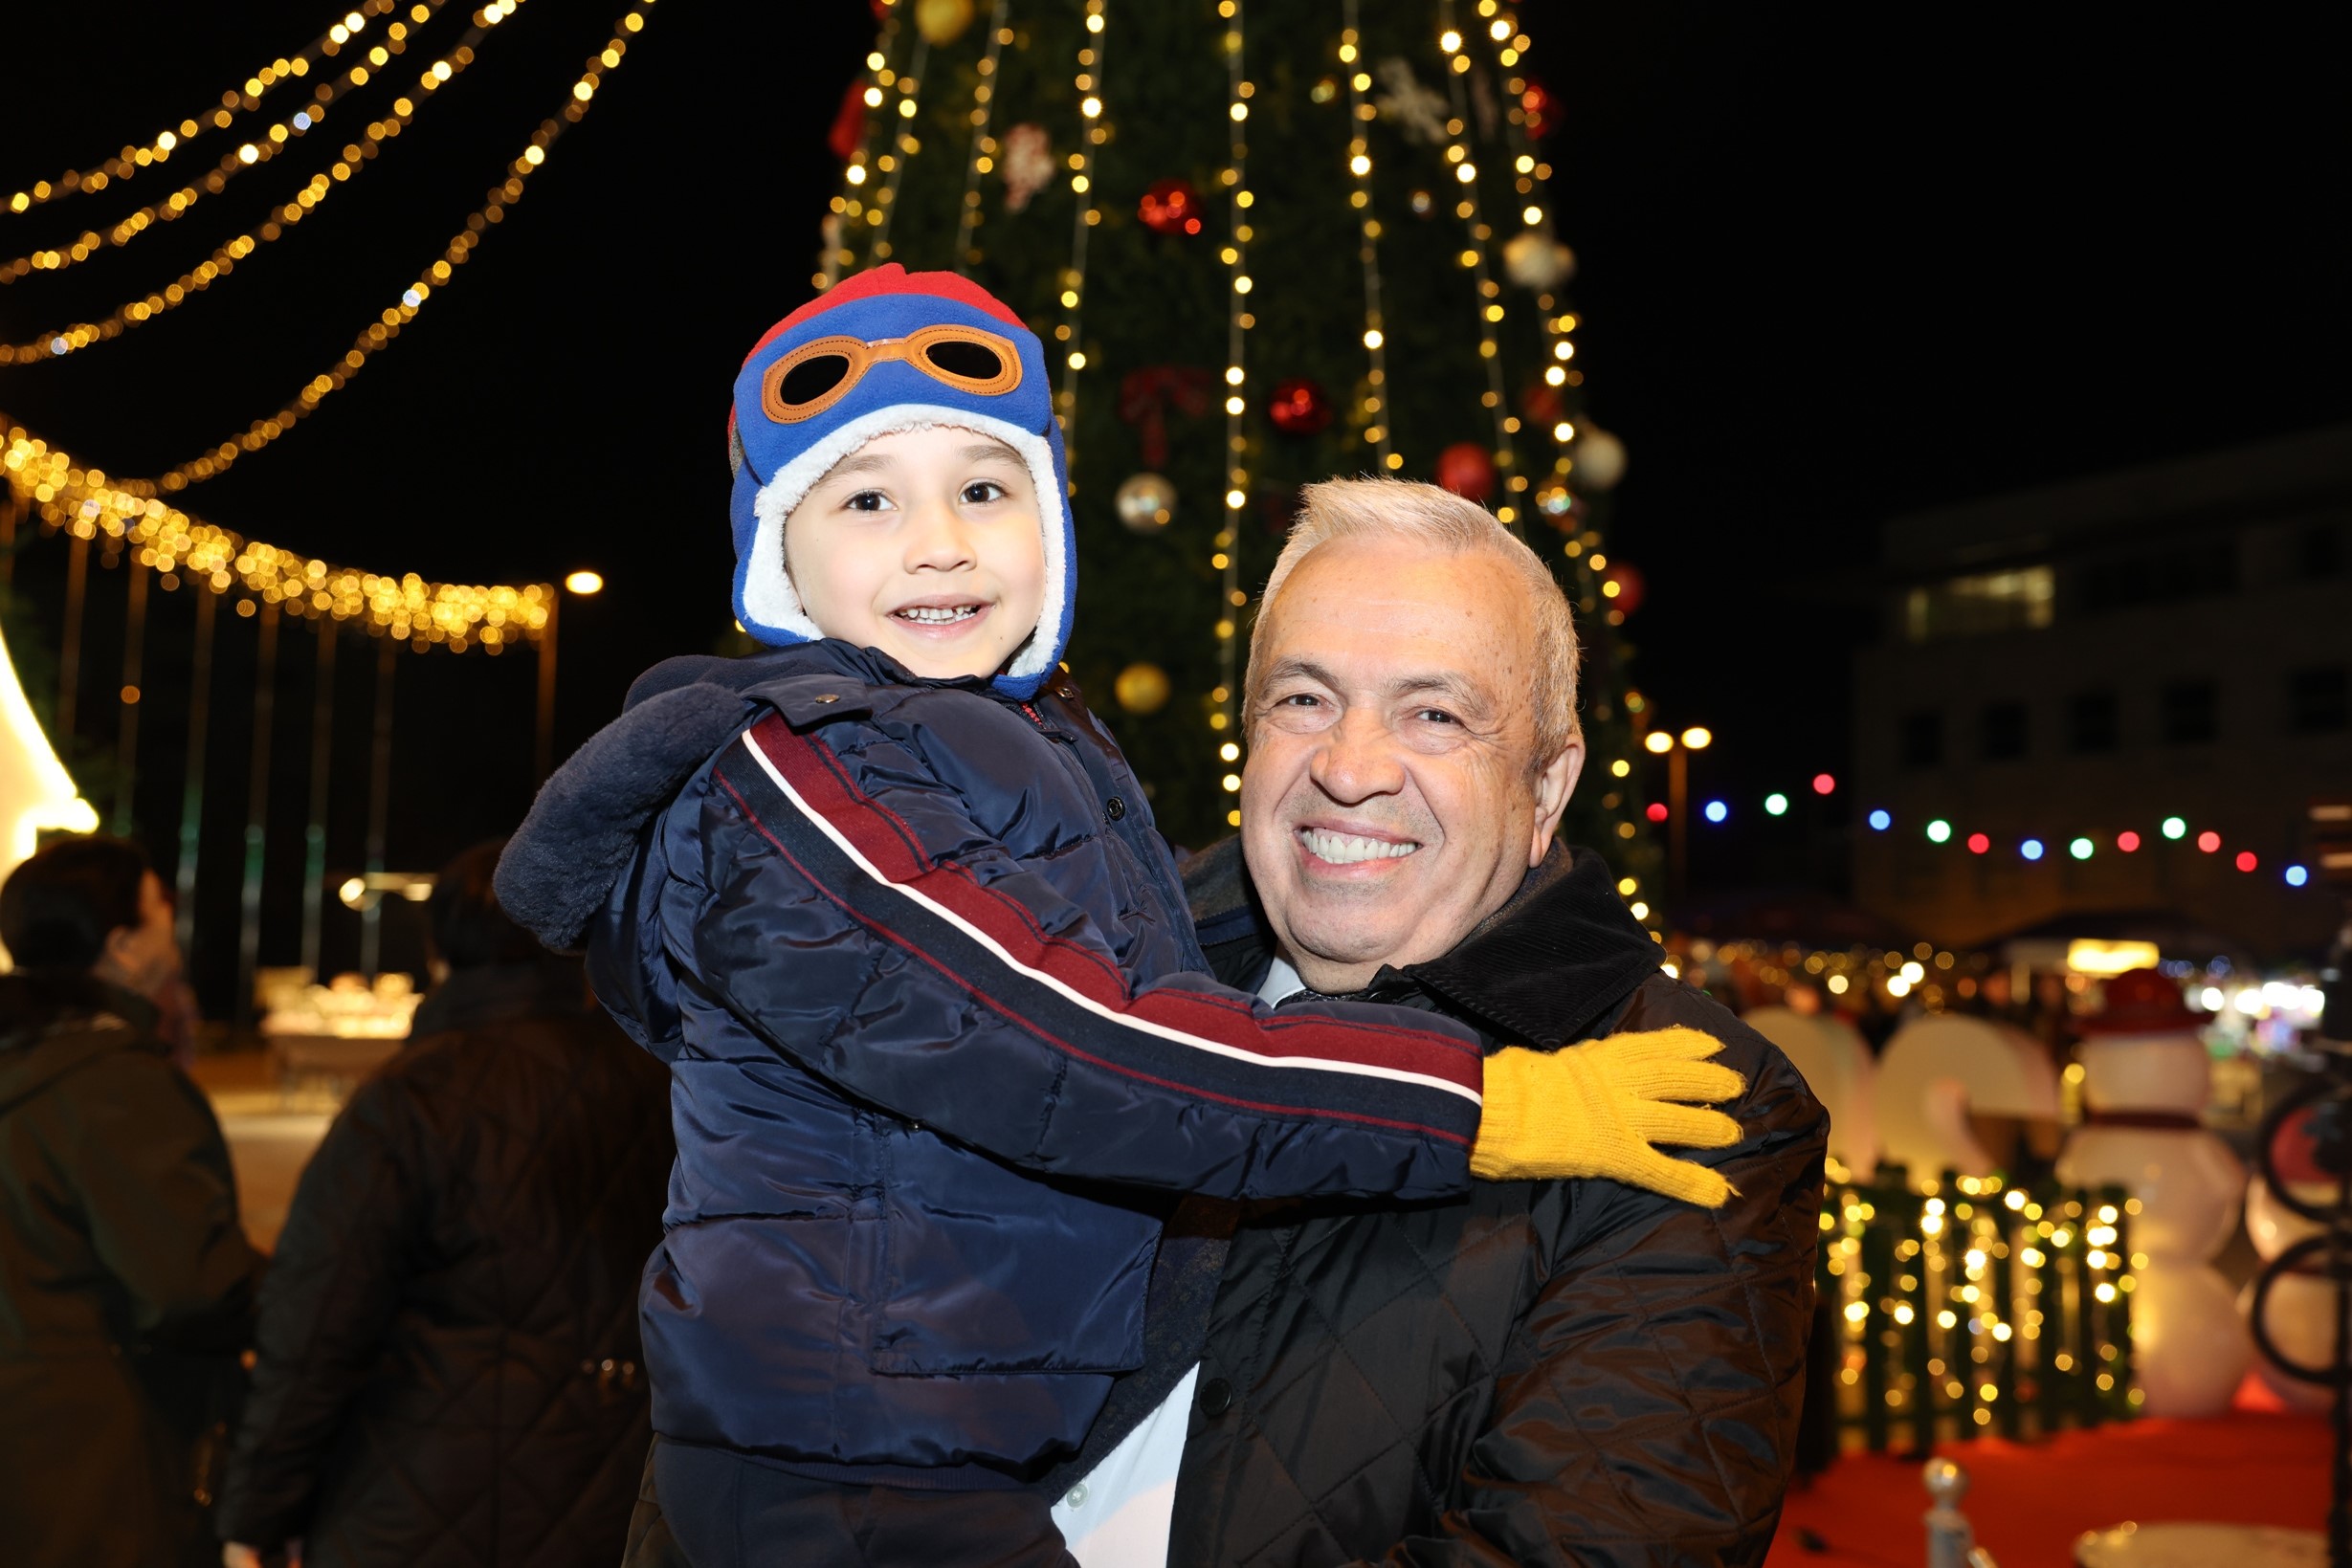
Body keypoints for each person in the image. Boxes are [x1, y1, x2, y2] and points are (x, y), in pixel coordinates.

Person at [495, 265, 1744, 1567]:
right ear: (779, 557)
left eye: (986, 490)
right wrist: (1486, 1104)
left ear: (1550, 781)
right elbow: (1078, 1043)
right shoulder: (811, 787)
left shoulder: (1017, 760)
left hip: (947, 1438)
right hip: (863, 1453)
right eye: (866, 499)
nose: (939, 542)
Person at [1035, 480, 1831, 1565]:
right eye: (1303, 699)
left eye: (1435, 714)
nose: (1349, 768)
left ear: (1546, 786)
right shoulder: (1082, 985)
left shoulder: (1695, 1099)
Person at [214, 840, 674, 1568]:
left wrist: (259, 1509)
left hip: (424, 1491)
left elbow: (318, 1321)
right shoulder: (662, 1083)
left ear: (440, 950)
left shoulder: (413, 1095)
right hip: (623, 1491)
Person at [0, 835, 263, 1568]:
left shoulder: (24, 1060)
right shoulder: (116, 1083)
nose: (172, 925)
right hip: (104, 1470)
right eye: (158, 908)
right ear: (121, 946)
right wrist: (312, 1293)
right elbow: (193, 1286)